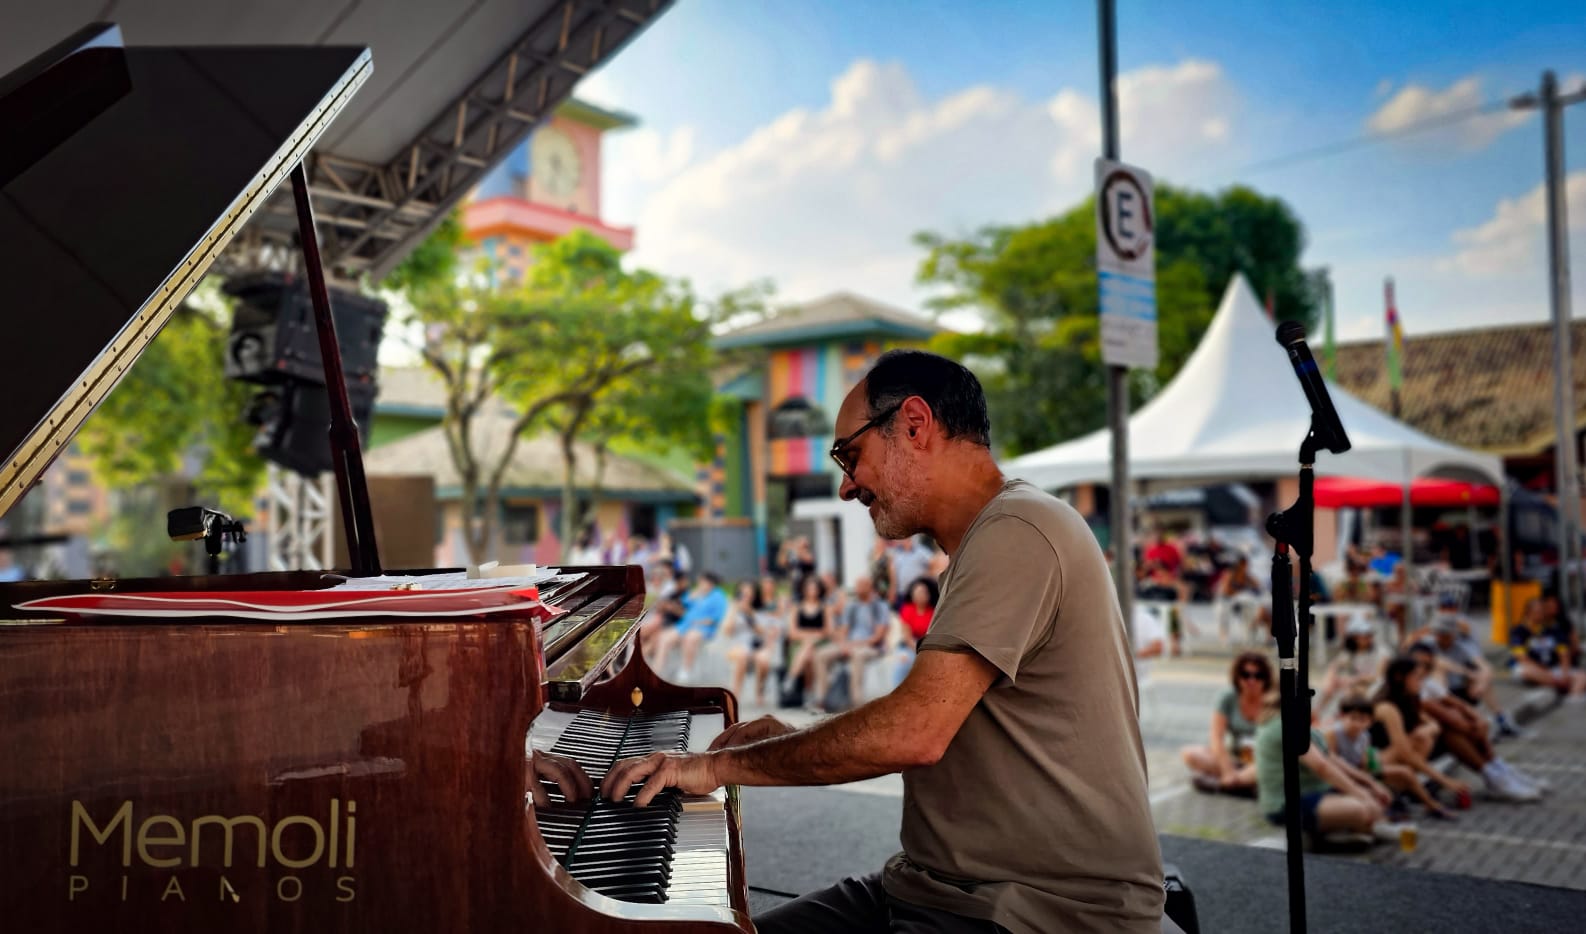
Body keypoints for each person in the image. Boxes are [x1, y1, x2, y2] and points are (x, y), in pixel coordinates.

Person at [599, 349, 1164, 932]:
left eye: (850, 454)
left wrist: (715, 770)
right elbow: (932, 715)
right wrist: (801, 733)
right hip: (942, 886)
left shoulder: (1018, 531)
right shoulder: (996, 534)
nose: (847, 486)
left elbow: (914, 733)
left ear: (915, 425)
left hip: (1041, 910)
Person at [1253, 691, 1387, 839]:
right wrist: (1362, 795)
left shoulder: (1292, 720)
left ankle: (1346, 831)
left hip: (1313, 793)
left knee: (1374, 798)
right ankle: (1333, 835)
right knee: (1360, 810)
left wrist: (1369, 783)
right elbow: (1322, 766)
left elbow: (1332, 758)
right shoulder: (1285, 724)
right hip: (1285, 806)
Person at [1327, 694, 1452, 819]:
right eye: (1353, 718)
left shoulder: (1364, 736)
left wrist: (1375, 768)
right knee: (1379, 788)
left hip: (1359, 771)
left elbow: (1364, 761)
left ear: (1370, 722)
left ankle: (1431, 804)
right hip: (1342, 775)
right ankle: (1386, 811)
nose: (1357, 724)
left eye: (1362, 719)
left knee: (1405, 772)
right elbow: (1331, 762)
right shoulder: (1335, 734)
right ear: (1342, 717)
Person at [1180, 651, 1270, 796]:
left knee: (1274, 765)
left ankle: (1223, 785)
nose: (1251, 681)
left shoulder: (1273, 699)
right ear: (1237, 677)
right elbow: (1216, 737)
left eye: (1258, 676)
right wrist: (1227, 769)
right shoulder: (1228, 697)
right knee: (1190, 754)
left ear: (1266, 678)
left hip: (1264, 758)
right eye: (1246, 675)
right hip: (1235, 758)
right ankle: (1245, 783)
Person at [812, 576, 892, 709]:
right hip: (850, 645)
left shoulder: (880, 606)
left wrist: (852, 645)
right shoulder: (852, 606)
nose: (857, 589)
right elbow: (844, 631)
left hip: (871, 647)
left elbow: (877, 637)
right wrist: (843, 645)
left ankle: (857, 703)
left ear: (869, 587)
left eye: (861, 585)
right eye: (857, 585)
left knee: (857, 655)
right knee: (821, 654)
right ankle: (823, 699)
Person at [1508, 596, 1586, 700]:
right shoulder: (1518, 631)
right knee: (1524, 670)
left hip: (1553, 669)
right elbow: (1522, 658)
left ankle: (1571, 700)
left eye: (1542, 611)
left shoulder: (1552, 629)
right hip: (1535, 669)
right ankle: (1559, 686)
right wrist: (1546, 673)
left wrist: (1565, 673)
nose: (1542, 614)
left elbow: (1563, 653)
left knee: (1582, 677)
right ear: (1529, 612)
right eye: (1538, 612)